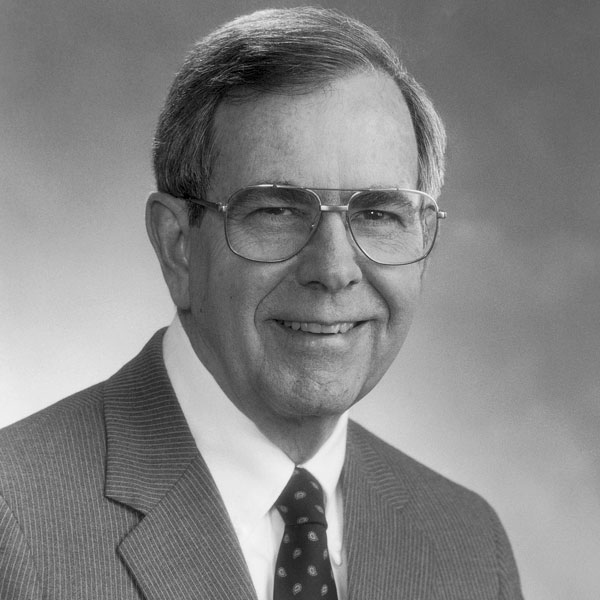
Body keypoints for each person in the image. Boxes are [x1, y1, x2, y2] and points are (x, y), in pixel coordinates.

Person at [0, 7, 523, 600]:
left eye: (378, 214)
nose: (334, 270)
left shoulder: (469, 545)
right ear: (178, 245)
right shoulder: (15, 525)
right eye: (276, 211)